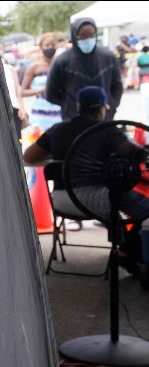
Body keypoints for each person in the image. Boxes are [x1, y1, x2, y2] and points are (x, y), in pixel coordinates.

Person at [24, 86, 149, 245]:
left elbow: (28, 157)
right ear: (101, 109)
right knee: (141, 207)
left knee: (118, 207)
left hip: (61, 201)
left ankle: (124, 247)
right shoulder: (106, 130)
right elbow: (138, 155)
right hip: (96, 201)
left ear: (79, 107)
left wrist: (64, 154)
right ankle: (128, 250)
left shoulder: (57, 129)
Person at [46, 18, 123, 122]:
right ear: (74, 36)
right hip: (73, 121)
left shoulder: (108, 57)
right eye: (83, 36)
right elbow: (51, 94)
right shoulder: (62, 61)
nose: (88, 39)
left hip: (104, 119)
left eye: (91, 35)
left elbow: (117, 86)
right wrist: (69, 105)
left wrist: (112, 105)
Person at [21, 32, 62, 130]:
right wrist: (40, 90)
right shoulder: (34, 67)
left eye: (53, 45)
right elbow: (23, 92)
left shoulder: (61, 64)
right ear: (41, 47)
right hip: (40, 113)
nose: (50, 47)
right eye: (47, 45)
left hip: (59, 111)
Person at [1, 46, 27, 140]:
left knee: (17, 137)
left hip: (14, 107)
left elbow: (17, 89)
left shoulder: (10, 69)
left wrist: (22, 107)